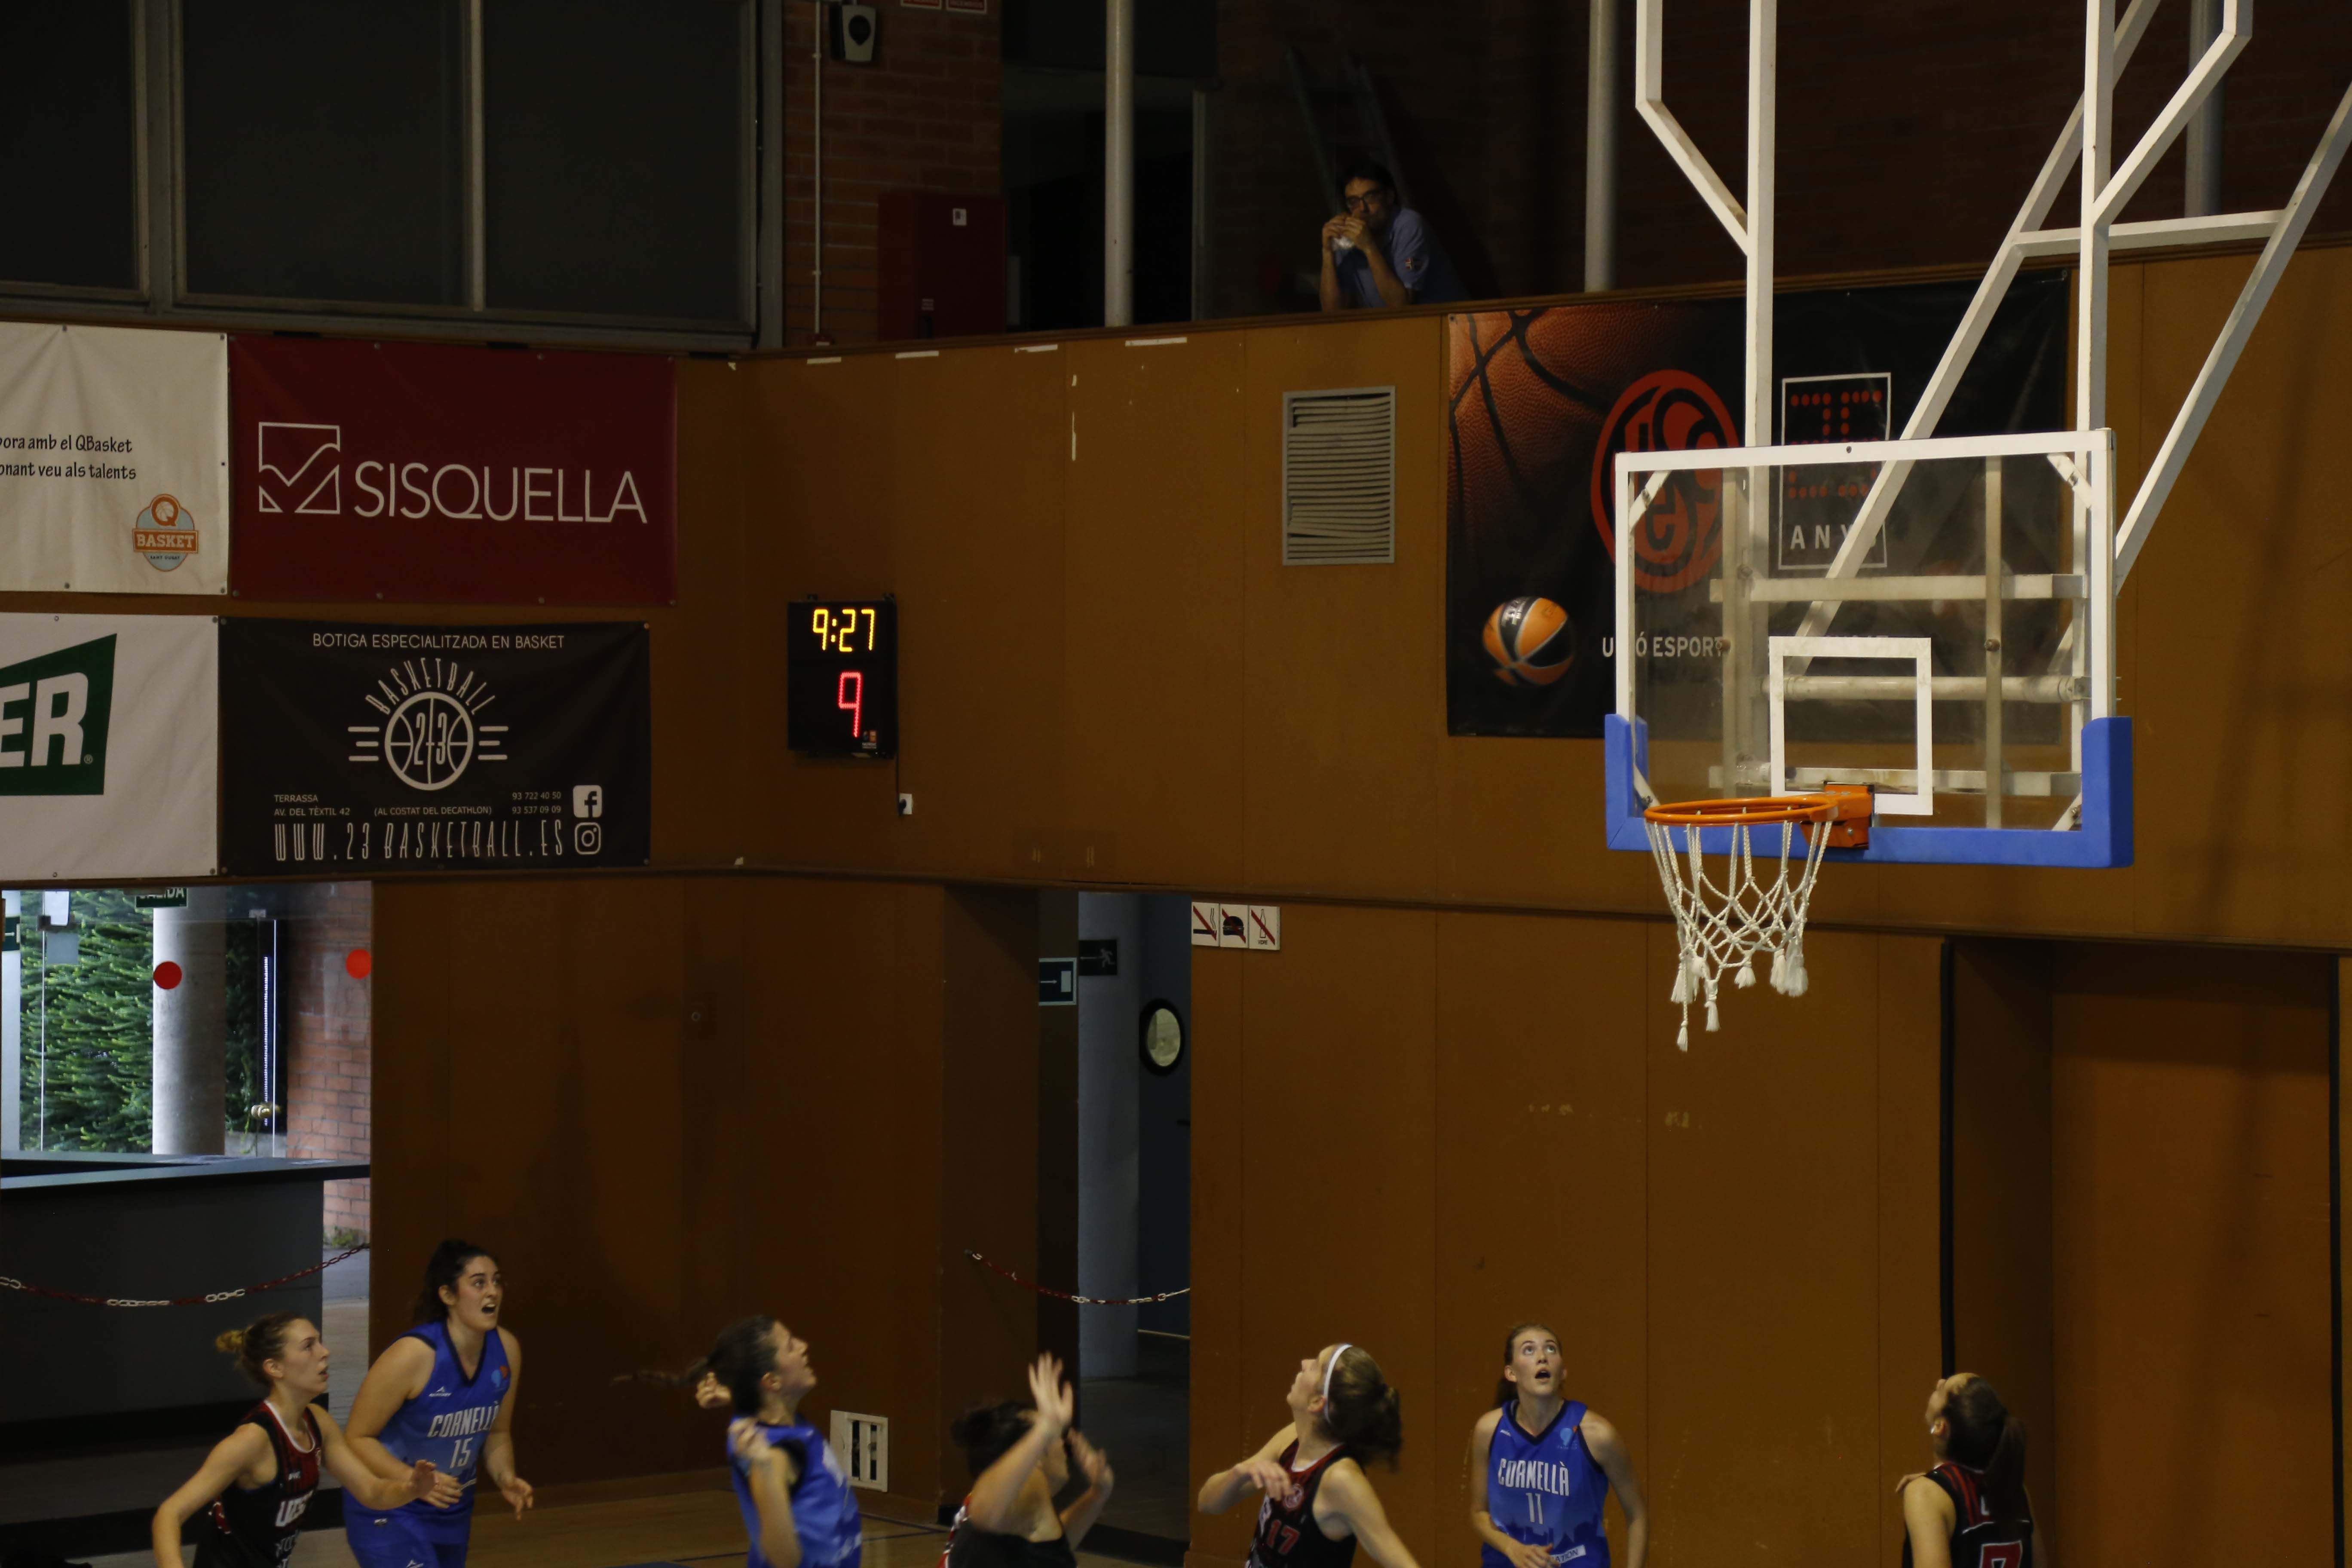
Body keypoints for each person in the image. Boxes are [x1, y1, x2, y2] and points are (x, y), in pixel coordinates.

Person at [151, 1312, 462, 1568]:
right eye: (308, 1346)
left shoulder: (318, 1422)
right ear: (275, 1368)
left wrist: (411, 1489)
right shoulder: (251, 1441)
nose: (324, 1352)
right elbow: (169, 1514)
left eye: (321, 1343)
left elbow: (371, 1491)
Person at [343, 1240, 532, 1568]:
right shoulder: (414, 1355)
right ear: (447, 1295)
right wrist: (411, 1480)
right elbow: (356, 1439)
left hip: (451, 1506)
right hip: (389, 1502)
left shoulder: (507, 1349)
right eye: (479, 1283)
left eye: (497, 1281)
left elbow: (498, 1433)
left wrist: (506, 1477)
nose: (493, 1292)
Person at [1196, 1343, 1422, 1568]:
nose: (1304, 1363)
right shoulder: (1291, 1439)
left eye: (1315, 1365)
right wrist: (1239, 1473)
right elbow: (1207, 1504)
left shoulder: (1340, 1479)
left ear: (1317, 1402)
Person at [1466, 1323, 1648, 1568]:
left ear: (1563, 1371)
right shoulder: (1489, 1430)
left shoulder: (1597, 1435)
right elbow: (1478, 1514)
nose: (1542, 1357)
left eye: (1551, 1350)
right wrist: (1512, 1548)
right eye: (1529, 1350)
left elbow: (1637, 1514)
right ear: (1511, 1373)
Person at [694, 1316, 864, 1568]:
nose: (804, 1346)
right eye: (791, 1346)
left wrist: (732, 1391)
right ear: (772, 1381)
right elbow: (784, 1560)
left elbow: (762, 1398)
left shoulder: (775, 1419)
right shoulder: (775, 1456)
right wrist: (764, 1470)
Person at [940, 1354, 1115, 1568]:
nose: (1063, 1442)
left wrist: (1098, 1494)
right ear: (1034, 1455)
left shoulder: (1026, 1512)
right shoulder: (1023, 1488)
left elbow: (1047, 1552)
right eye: (1054, 1436)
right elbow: (985, 1514)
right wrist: (1045, 1429)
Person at [1897, 1373, 2035, 1568]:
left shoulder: (1926, 1495)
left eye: (1943, 1390)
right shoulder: (2017, 1490)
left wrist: (1928, 1491)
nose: (1939, 1382)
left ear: (1940, 1427)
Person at [1318, 162, 1466, 312]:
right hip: (1397, 327)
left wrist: (1369, 248)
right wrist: (1328, 252)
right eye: (1354, 202)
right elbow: (1332, 312)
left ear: (1389, 197)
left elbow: (1401, 306)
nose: (1363, 209)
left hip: (1447, 323)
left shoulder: (1409, 225)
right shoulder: (1349, 233)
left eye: (1370, 197)